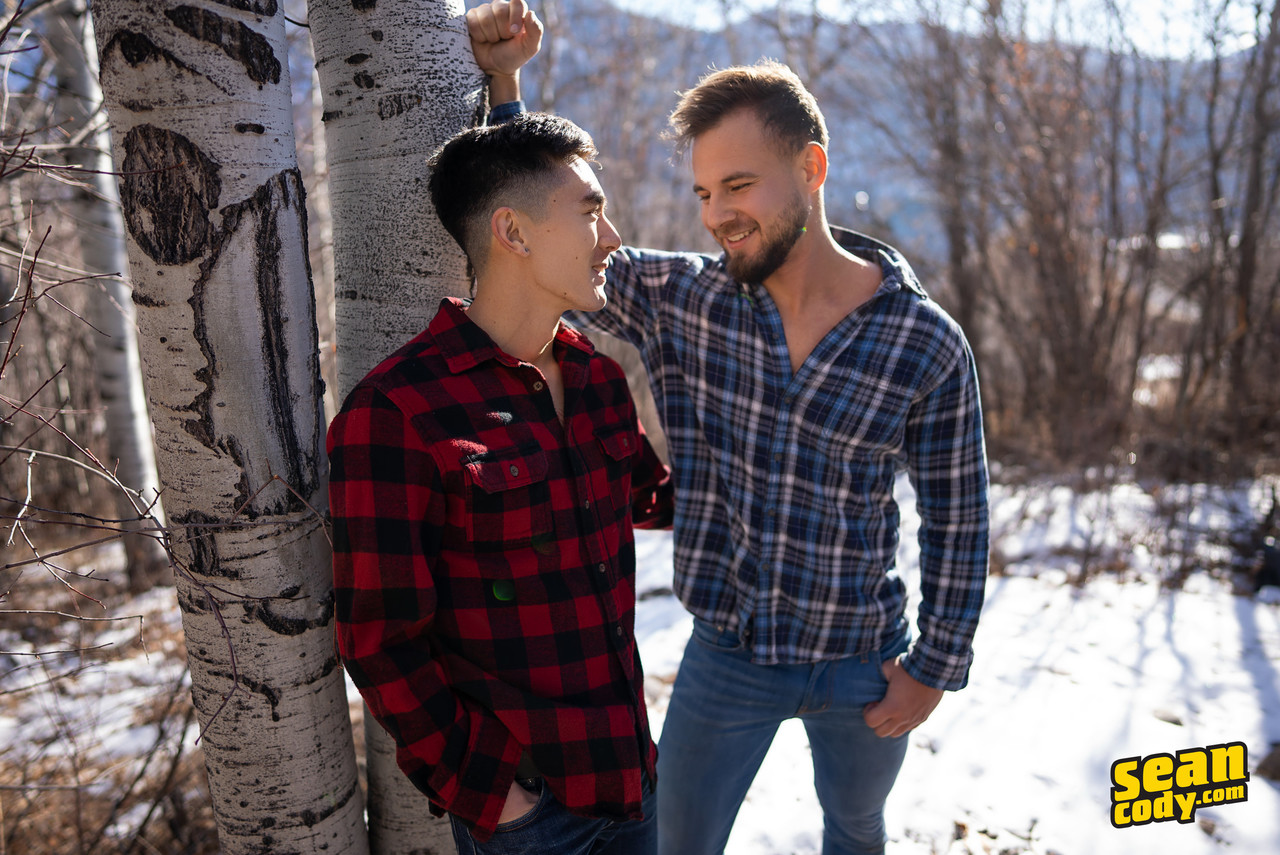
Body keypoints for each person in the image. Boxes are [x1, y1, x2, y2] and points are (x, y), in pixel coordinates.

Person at [468, 4, 991, 854]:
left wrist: (936, 668)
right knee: (677, 841)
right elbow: (545, 232)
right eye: (705, 193)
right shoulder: (687, 302)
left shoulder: (923, 341)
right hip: (728, 654)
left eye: (739, 186)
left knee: (856, 827)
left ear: (811, 168)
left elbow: (960, 518)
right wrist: (505, 87)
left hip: (863, 658)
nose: (716, 215)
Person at [327, 111, 673, 854]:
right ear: (513, 232)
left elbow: (654, 495)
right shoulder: (396, 412)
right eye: (591, 212)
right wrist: (496, 794)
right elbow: (379, 640)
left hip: (632, 773)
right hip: (532, 814)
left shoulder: (597, 378)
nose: (613, 237)